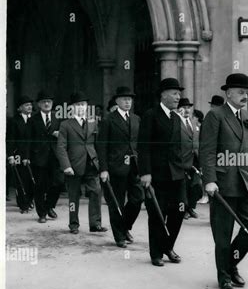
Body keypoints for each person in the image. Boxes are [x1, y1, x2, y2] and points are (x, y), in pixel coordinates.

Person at [200, 73, 248, 289]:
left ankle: (230, 263)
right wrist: (210, 180)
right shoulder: (215, 116)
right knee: (223, 234)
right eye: (240, 92)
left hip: (246, 183)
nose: (245, 96)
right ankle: (224, 276)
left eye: (246, 92)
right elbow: (207, 150)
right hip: (223, 184)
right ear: (228, 93)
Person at [137, 78, 187, 267]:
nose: (178, 97)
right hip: (156, 175)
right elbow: (143, 147)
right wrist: (145, 172)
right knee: (158, 213)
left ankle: (168, 246)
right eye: (174, 93)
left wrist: (184, 168)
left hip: (177, 174)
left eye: (178, 93)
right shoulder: (151, 115)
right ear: (163, 94)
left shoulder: (176, 117)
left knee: (180, 209)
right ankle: (156, 253)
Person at [97, 86, 144, 248]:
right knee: (116, 202)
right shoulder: (108, 120)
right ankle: (119, 236)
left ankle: (124, 227)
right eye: (124, 99)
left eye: (130, 99)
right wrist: (103, 169)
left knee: (138, 198)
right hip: (115, 167)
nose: (127, 102)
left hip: (134, 166)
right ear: (117, 101)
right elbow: (101, 146)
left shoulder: (137, 119)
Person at [56, 91, 106, 234]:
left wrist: (101, 164)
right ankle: (73, 224)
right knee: (73, 196)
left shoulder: (93, 121)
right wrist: (66, 166)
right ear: (71, 108)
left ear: (87, 106)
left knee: (96, 192)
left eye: (83, 105)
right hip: (74, 165)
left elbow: (98, 144)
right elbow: (61, 147)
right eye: (77, 105)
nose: (81, 107)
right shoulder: (65, 124)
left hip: (91, 163)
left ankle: (95, 224)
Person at [26, 91, 63, 223]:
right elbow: (28, 140)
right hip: (38, 157)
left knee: (58, 182)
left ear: (52, 104)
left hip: (55, 156)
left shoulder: (57, 118)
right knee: (40, 186)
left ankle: (49, 206)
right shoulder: (32, 120)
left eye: (49, 101)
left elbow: (64, 136)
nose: (47, 104)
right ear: (39, 104)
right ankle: (42, 213)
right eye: (43, 102)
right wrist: (27, 156)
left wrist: (60, 134)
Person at [7, 95, 35, 213]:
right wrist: (11, 156)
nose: (29, 107)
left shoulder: (33, 119)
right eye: (26, 105)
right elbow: (11, 139)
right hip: (18, 154)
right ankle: (23, 204)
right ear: (20, 108)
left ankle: (29, 200)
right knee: (21, 179)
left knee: (31, 179)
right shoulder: (14, 121)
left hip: (32, 154)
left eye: (30, 105)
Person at [176, 98, 201, 220]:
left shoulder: (194, 122)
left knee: (195, 186)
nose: (187, 110)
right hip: (182, 159)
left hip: (194, 159)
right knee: (184, 186)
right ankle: (184, 209)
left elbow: (197, 140)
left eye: (188, 107)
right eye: (184, 107)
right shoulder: (176, 122)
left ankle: (191, 207)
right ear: (178, 109)